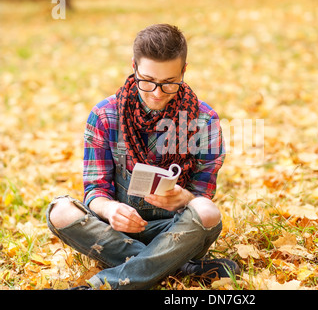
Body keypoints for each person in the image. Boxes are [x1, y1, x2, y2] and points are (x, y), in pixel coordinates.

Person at [46, 24, 239, 290]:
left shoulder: (204, 120)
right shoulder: (105, 115)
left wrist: (185, 198)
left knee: (207, 211)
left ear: (184, 70)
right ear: (134, 66)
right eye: (147, 81)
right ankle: (179, 266)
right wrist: (111, 209)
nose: (157, 93)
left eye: (169, 83)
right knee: (60, 211)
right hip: (117, 231)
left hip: (174, 230)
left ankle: (101, 286)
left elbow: (202, 196)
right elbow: (95, 190)